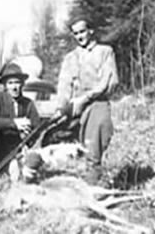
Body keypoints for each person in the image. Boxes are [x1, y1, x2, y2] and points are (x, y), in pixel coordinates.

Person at [55, 16, 119, 184]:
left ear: (91, 31)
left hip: (97, 102)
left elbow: (108, 82)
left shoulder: (105, 52)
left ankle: (92, 186)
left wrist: (85, 98)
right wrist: (61, 107)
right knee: (54, 141)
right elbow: (64, 84)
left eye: (82, 31)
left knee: (94, 145)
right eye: (76, 33)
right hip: (75, 106)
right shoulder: (70, 57)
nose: (80, 36)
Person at [0, 63, 41, 176]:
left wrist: (28, 138)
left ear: (22, 84)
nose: (14, 87)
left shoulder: (28, 104)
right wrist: (13, 123)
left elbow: (37, 127)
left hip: (17, 148)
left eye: (17, 82)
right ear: (5, 86)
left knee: (24, 169)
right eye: (10, 83)